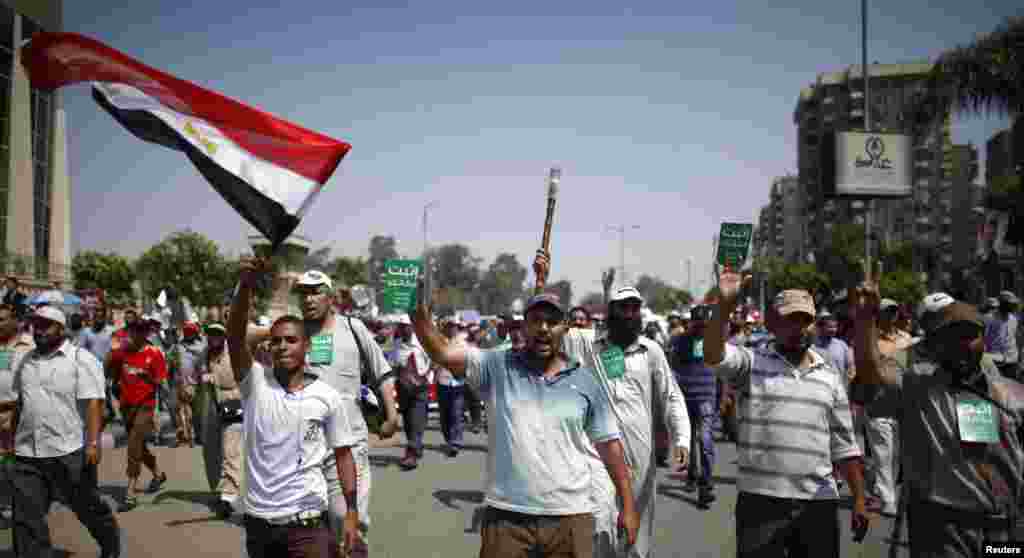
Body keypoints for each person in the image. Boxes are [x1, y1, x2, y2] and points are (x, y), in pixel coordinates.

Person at [414, 290, 639, 558]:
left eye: (552, 322)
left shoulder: (585, 382)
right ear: (524, 327)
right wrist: (417, 317)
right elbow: (442, 353)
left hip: (570, 517)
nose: (543, 328)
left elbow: (610, 447)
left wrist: (628, 507)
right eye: (536, 320)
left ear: (565, 328)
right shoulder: (497, 367)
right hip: (507, 517)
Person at [704, 271, 870, 557]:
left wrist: (859, 499)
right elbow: (713, 356)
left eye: (806, 320)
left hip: (818, 503)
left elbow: (845, 445)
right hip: (761, 501)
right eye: (791, 320)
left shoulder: (829, 376)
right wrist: (724, 306)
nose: (799, 327)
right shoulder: (751, 363)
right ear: (772, 324)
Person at [853, 282, 1024, 556]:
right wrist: (865, 320)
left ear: (983, 340)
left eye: (970, 336)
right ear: (934, 343)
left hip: (1003, 527)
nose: (963, 344)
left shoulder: (1008, 392)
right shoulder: (916, 384)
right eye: (952, 336)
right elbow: (871, 376)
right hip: (944, 528)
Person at [246, 268, 399, 558]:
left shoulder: (353, 328)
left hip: (347, 445)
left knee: (345, 518)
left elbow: (381, 372)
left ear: (331, 298)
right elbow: (242, 337)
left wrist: (391, 414)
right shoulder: (292, 334)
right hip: (304, 450)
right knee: (311, 527)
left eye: (315, 292)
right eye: (303, 293)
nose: (308, 299)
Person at [228, 257, 361, 557]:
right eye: (276, 341)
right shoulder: (255, 383)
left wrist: (351, 511)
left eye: (291, 340)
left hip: (307, 525)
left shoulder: (326, 396)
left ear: (306, 346)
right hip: (259, 526)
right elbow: (235, 337)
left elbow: (343, 455)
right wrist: (245, 286)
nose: (283, 346)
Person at [556, 281, 690, 558]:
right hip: (598, 456)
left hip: (640, 457)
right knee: (601, 524)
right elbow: (546, 329)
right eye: (622, 307)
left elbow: (671, 397)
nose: (629, 313)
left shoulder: (651, 351)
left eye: (634, 308)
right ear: (610, 311)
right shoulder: (588, 343)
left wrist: (682, 439)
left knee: (635, 538)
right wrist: (540, 281)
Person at [0, 306, 121, 557]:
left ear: (61, 328)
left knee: (85, 506)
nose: (39, 330)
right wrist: (10, 442)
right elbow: (20, 402)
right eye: (36, 325)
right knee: (26, 516)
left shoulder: (81, 359)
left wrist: (93, 444)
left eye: (46, 325)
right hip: (28, 452)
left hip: (69, 449)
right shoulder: (25, 360)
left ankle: (109, 540)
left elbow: (94, 402)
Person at [107, 317, 169, 511]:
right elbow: (108, 371)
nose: (135, 334)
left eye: (140, 330)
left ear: (146, 333)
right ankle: (158, 474)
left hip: (146, 405)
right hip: (126, 406)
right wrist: (112, 351)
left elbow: (162, 384)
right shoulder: (121, 352)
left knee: (134, 443)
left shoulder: (155, 353)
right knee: (139, 447)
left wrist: (148, 377)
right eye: (132, 330)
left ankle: (130, 492)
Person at [670, 302, 717, 509]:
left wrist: (724, 396)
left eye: (705, 323)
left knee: (705, 440)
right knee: (688, 439)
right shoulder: (680, 341)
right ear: (692, 322)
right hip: (685, 398)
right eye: (698, 323)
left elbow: (722, 370)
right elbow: (673, 368)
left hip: (707, 398)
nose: (701, 327)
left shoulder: (715, 341)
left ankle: (705, 486)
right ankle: (691, 474)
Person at [197, 322, 244, 518]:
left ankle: (229, 496)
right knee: (210, 450)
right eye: (210, 334)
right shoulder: (204, 354)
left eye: (218, 333)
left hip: (232, 404)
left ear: (224, 336)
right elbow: (194, 376)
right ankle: (218, 489)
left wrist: (214, 379)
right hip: (211, 406)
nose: (213, 337)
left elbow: (241, 378)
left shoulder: (235, 353)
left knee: (230, 451)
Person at [0, 303, 33, 523]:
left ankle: (18, 504)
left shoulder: (28, 345)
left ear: (15, 321)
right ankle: (4, 503)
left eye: (2, 319)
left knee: (15, 460)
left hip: (17, 412)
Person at [389, 315, 431, 469]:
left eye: (405, 326)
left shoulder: (422, 342)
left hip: (420, 388)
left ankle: (411, 455)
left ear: (412, 327)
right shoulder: (397, 344)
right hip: (403, 388)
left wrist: (426, 375)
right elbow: (393, 364)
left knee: (416, 420)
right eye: (400, 326)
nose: (402, 329)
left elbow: (434, 360)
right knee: (408, 422)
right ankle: (416, 446)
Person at [436, 319, 468, 458]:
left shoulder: (462, 343)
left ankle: (455, 442)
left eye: (453, 327)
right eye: (448, 326)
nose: (451, 329)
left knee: (456, 413)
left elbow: (467, 360)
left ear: (456, 328)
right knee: (444, 415)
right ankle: (449, 439)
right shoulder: (438, 341)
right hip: (442, 382)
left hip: (458, 383)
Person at [984, 291, 1019, 379]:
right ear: (1002, 304)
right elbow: (983, 338)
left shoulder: (1013, 319)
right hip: (994, 359)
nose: (1012, 307)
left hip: (1011, 359)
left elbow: (1014, 337)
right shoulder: (989, 318)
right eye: (1009, 304)